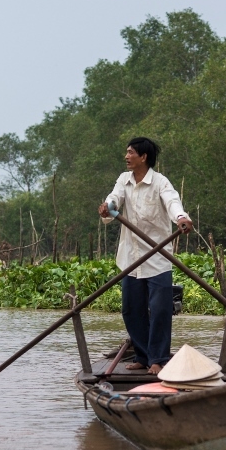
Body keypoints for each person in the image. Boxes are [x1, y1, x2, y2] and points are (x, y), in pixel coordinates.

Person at [98, 137, 192, 375]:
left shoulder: (160, 182)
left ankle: (158, 359)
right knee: (131, 310)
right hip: (131, 259)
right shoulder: (124, 179)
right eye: (127, 152)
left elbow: (172, 202)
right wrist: (107, 206)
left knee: (160, 310)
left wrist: (181, 218)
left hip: (157, 258)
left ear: (143, 157)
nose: (126, 156)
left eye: (131, 152)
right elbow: (114, 198)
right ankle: (142, 356)